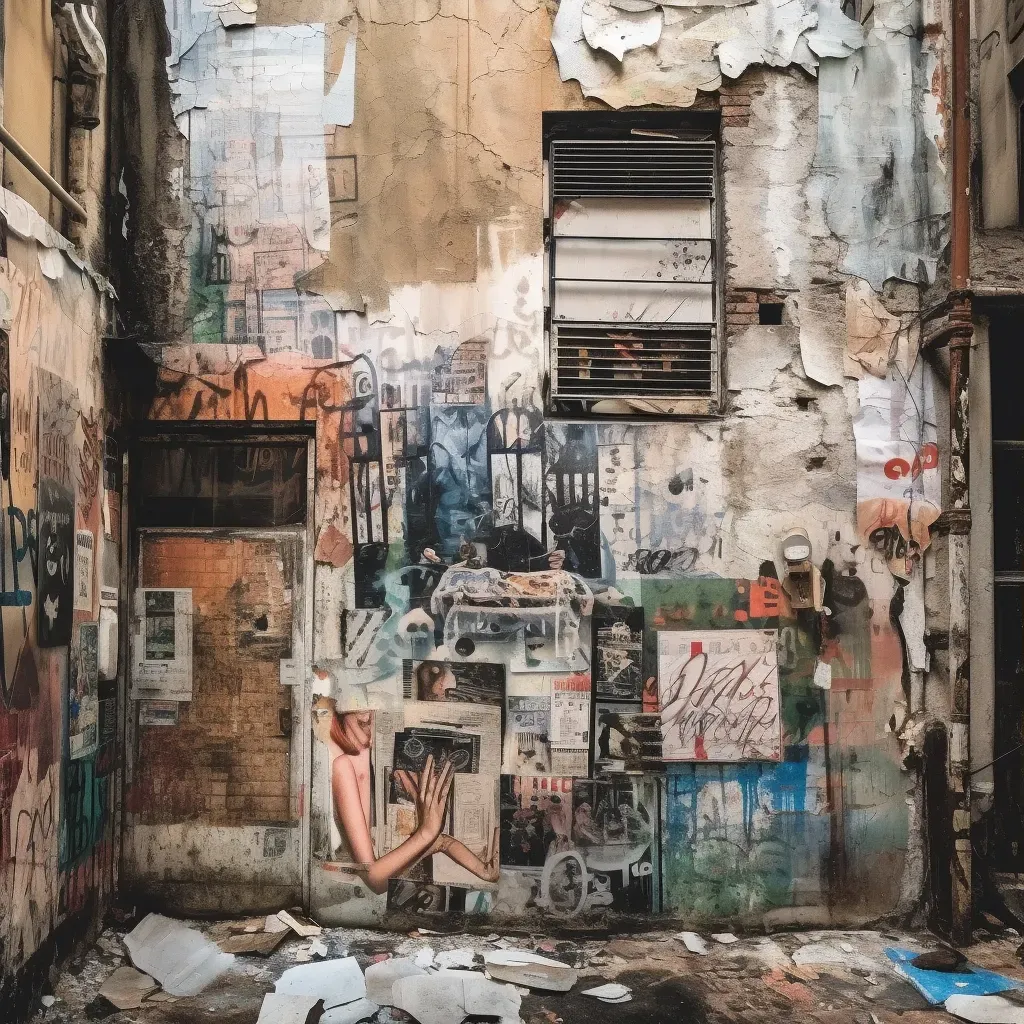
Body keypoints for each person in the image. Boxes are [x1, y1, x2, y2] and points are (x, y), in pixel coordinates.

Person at [312, 698, 499, 893]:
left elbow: (441, 842)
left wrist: (484, 871)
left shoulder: (383, 758)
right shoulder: (344, 765)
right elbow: (373, 878)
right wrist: (426, 832)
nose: (368, 715)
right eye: (359, 704)